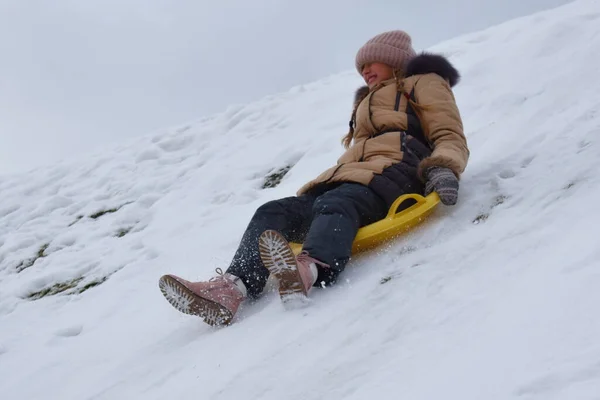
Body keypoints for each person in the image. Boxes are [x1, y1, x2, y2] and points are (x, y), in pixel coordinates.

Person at [159, 30, 469, 326]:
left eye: (370, 63)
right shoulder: (365, 102)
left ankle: (309, 270)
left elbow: (448, 132)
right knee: (273, 211)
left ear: (393, 59)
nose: (363, 72)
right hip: (349, 181)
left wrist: (443, 167)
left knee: (337, 201)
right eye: (360, 67)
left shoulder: (423, 82)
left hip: (396, 174)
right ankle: (231, 289)